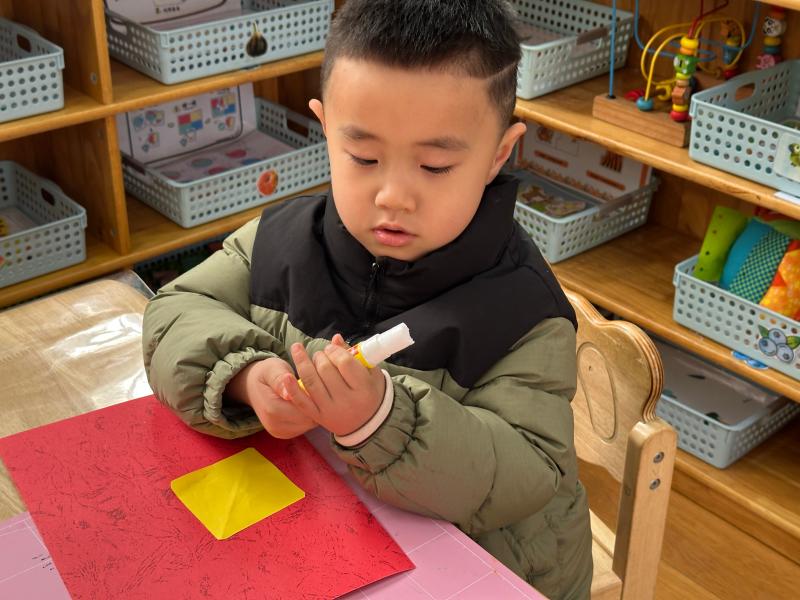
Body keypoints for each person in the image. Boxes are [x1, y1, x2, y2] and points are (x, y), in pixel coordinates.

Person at [142, 1, 592, 597]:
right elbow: (175, 310)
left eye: (435, 165)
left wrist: (380, 419)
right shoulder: (280, 242)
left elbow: (526, 470)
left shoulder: (523, 311)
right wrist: (246, 377)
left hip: (483, 568)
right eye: (364, 158)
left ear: (498, 154)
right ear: (325, 128)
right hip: (319, 540)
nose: (393, 196)